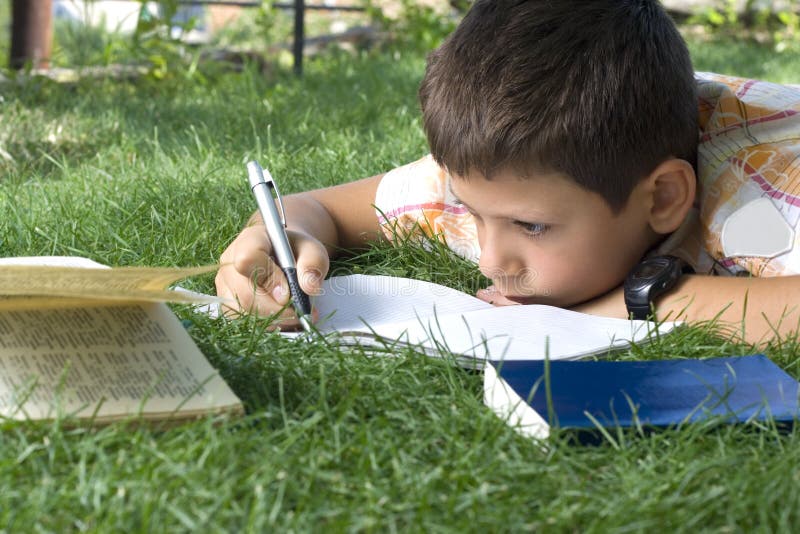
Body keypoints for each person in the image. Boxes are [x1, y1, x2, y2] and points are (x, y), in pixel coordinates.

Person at [215, 0, 800, 345]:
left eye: (533, 227)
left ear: (664, 197)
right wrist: (280, 237)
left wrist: (627, 306)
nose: (492, 261)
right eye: (473, 213)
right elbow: (321, 207)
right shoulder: (507, 178)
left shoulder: (764, 181)